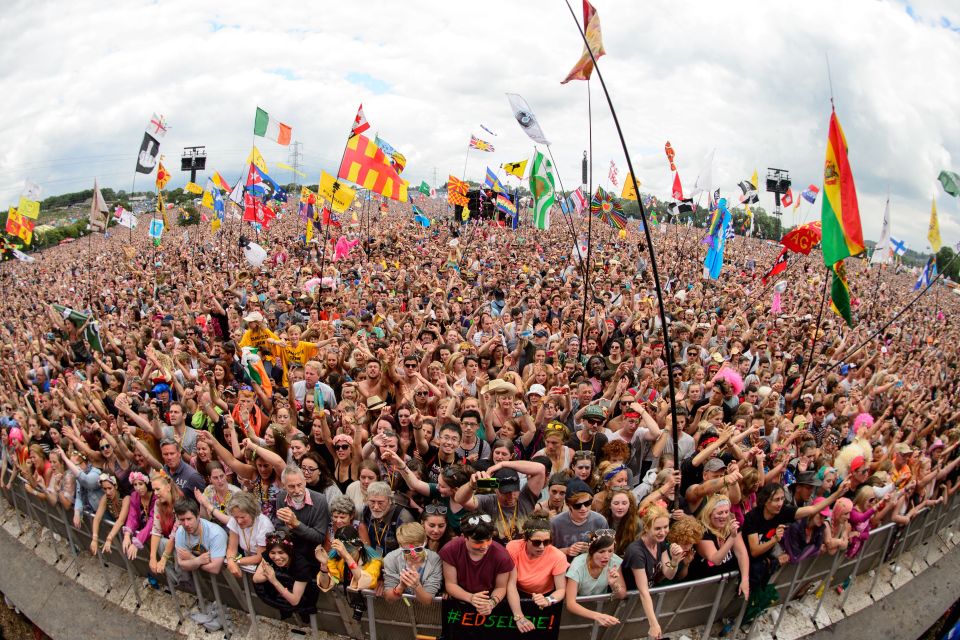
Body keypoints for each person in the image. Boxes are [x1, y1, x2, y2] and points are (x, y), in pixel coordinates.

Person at [622, 505, 686, 640]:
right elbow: (643, 591)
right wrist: (654, 624)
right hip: (626, 601)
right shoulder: (636, 552)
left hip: (643, 602)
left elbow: (668, 573)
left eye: (665, 527)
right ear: (646, 528)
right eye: (657, 528)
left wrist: (674, 561)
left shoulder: (660, 542)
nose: (663, 532)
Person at [440, 513, 514, 617]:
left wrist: (491, 603)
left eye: (488, 540)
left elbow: (501, 587)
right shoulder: (450, 550)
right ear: (465, 537)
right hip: (458, 602)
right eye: (478, 542)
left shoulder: (502, 555)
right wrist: (470, 597)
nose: (484, 546)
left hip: (488, 603)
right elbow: (451, 584)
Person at [505, 516, 568, 632]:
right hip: (517, 594)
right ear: (525, 538)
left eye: (547, 542)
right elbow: (510, 584)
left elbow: (561, 590)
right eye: (536, 542)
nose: (542, 547)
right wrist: (519, 617)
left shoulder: (558, 556)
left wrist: (548, 600)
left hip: (545, 596)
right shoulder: (513, 547)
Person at [271, 463, 330, 574]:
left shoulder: (320, 500)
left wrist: (296, 523)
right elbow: (279, 528)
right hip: (289, 555)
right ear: (284, 485)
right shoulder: (281, 497)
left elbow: (319, 537)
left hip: (311, 558)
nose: (297, 490)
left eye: (300, 485)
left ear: (305, 482)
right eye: (291, 486)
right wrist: (290, 528)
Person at [690, 494, 750, 598]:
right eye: (719, 513)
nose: (723, 516)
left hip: (722, 587)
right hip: (700, 588)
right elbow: (715, 559)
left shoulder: (730, 526)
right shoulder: (702, 532)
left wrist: (745, 579)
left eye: (726, 512)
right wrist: (732, 537)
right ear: (709, 513)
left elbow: (741, 553)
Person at [564, 530, 626, 627]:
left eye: (610, 551)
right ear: (591, 551)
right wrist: (598, 616)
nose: (606, 556)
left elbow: (622, 594)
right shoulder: (578, 565)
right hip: (578, 612)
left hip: (600, 609)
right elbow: (570, 603)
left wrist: (614, 584)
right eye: (601, 551)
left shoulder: (614, 561)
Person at [253, 532, 320, 621]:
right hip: (284, 589)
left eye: (281, 552)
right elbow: (256, 578)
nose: (277, 557)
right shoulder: (268, 556)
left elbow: (294, 600)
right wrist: (269, 576)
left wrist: (274, 580)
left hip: (306, 591)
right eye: (273, 553)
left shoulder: (301, 565)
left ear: (289, 552)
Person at [382, 522, 443, 605]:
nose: (414, 555)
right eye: (407, 551)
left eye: (418, 549)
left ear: (425, 541)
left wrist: (417, 586)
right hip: (400, 609)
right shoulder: (391, 559)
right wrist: (401, 586)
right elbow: (389, 598)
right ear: (400, 546)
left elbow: (427, 600)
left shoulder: (434, 559)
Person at [551, 479, 609, 557]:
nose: (583, 508)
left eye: (587, 503)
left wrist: (592, 549)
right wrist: (567, 551)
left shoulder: (600, 521)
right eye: (577, 506)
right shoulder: (555, 523)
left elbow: (607, 549)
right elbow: (546, 552)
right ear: (569, 505)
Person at [224, 490, 274, 577]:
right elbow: (232, 548)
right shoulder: (234, 519)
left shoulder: (264, 525)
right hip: (248, 562)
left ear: (252, 513)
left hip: (265, 564)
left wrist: (236, 561)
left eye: (243, 517)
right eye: (236, 517)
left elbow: (259, 557)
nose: (239, 521)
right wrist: (231, 560)